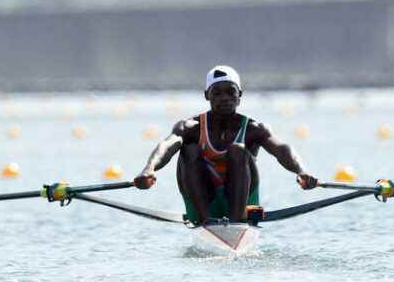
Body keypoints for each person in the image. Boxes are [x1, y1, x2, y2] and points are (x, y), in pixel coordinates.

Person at [134, 65, 319, 224]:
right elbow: (166, 146)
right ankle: (205, 221)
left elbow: (282, 150)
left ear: (240, 95)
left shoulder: (254, 129)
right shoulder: (190, 127)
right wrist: (148, 170)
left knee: (238, 150)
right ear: (207, 95)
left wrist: (302, 171)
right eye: (217, 92)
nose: (224, 98)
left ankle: (236, 222)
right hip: (202, 201)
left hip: (241, 201)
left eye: (230, 92)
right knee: (189, 150)